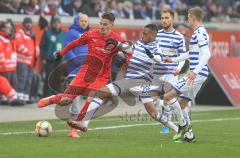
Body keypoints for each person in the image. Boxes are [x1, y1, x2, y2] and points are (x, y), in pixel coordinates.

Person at [67, 24, 188, 140]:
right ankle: (84, 124)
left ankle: (178, 129)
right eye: (142, 32)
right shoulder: (141, 42)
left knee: (153, 113)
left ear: (152, 35)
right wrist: (117, 43)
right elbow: (130, 49)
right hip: (130, 81)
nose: (142, 35)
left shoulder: (157, 48)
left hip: (142, 83)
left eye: (145, 33)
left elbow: (159, 60)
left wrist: (152, 56)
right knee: (101, 93)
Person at [37, 12, 130, 134]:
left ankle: (77, 126)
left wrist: (126, 60)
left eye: (105, 24)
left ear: (112, 25)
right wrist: (61, 54)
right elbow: (73, 44)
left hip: (101, 76)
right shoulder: (91, 35)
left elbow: (130, 51)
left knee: (93, 95)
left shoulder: (118, 40)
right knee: (66, 100)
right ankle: (53, 99)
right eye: (100, 23)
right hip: (85, 73)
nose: (102, 26)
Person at [163, 7, 212, 142]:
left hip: (197, 74)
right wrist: (173, 59)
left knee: (168, 97)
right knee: (182, 103)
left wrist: (195, 72)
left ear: (193, 18)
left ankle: (183, 125)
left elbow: (207, 54)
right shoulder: (198, 32)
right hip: (199, 74)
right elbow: (191, 54)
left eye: (188, 17)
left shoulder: (200, 32)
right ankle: (189, 135)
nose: (187, 20)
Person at [155, 9, 186, 134]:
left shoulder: (179, 37)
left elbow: (183, 56)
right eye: (162, 18)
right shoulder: (157, 35)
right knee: (155, 101)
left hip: (171, 72)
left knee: (168, 99)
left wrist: (178, 68)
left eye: (167, 18)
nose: (164, 20)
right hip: (157, 71)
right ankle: (170, 122)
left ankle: (179, 122)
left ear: (172, 19)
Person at [63, 13, 90, 138]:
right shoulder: (71, 33)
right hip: (74, 70)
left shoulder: (89, 34)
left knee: (85, 98)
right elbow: (67, 49)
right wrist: (76, 61)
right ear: (77, 21)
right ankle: (74, 125)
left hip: (86, 71)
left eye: (86, 21)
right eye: (82, 20)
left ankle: (77, 122)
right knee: (74, 98)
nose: (84, 23)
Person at [15, 17, 39, 104]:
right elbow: (18, 44)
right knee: (22, 79)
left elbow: (36, 44)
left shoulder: (32, 34)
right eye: (27, 23)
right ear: (23, 24)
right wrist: (28, 52)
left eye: (30, 23)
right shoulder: (19, 33)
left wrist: (37, 51)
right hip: (22, 61)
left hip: (31, 61)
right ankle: (19, 98)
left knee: (29, 80)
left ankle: (25, 97)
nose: (29, 24)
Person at [40, 16, 65, 97]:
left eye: (58, 23)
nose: (57, 24)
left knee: (58, 77)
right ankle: (46, 94)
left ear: (60, 24)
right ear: (52, 24)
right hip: (49, 59)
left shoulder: (64, 34)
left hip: (59, 59)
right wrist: (43, 57)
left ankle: (56, 94)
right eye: (55, 23)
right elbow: (42, 46)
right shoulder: (47, 33)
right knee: (49, 77)